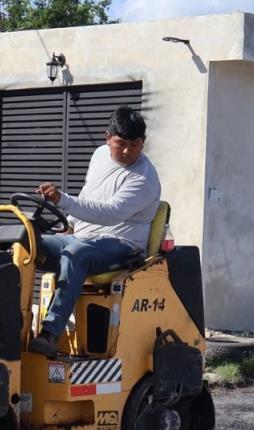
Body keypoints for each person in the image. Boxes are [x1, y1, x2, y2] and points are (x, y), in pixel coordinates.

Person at [28, 106, 161, 358]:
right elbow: (89, 193)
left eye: (134, 145)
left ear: (143, 143)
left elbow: (111, 213)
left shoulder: (144, 178)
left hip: (122, 245)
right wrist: (69, 222)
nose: (126, 151)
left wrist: (63, 200)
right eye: (120, 143)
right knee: (25, 243)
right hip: (82, 237)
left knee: (77, 254)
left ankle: (49, 334)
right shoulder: (100, 155)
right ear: (107, 137)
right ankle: (8, 324)